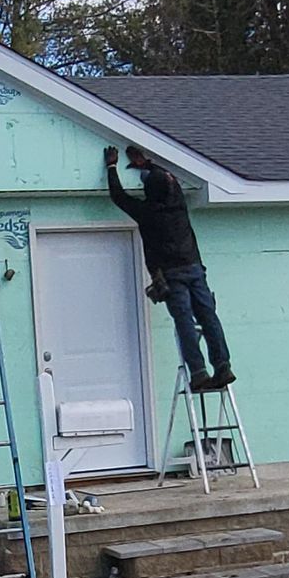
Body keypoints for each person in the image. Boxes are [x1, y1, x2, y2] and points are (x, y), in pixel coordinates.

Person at [104, 144, 235, 392]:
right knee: (208, 317)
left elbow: (118, 196)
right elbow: (169, 179)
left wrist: (112, 166)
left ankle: (198, 373)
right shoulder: (179, 204)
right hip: (195, 268)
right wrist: (147, 164)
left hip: (172, 275)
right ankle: (222, 366)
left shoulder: (146, 212)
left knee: (184, 320)